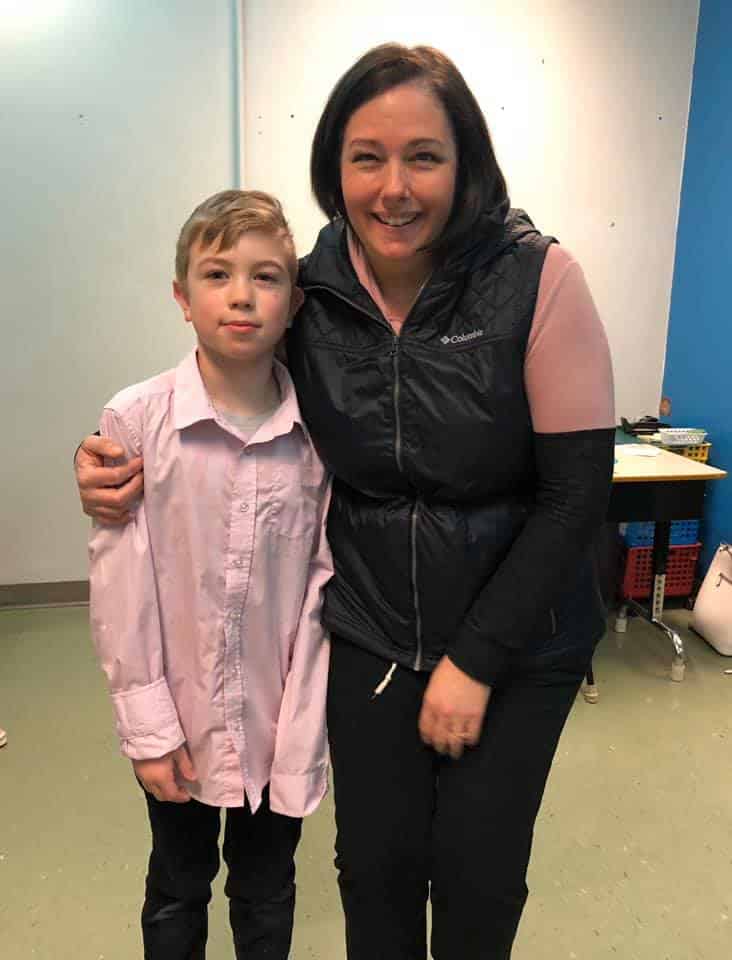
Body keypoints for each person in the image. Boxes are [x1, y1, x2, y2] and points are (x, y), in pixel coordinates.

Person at [76, 44, 615, 960]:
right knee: (374, 872)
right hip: (370, 631)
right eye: (367, 157)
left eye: (424, 157)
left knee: (477, 874)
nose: (393, 187)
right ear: (335, 168)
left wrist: (476, 659)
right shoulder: (309, 292)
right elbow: (223, 396)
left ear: (466, 164)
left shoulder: (538, 279)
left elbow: (577, 496)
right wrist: (100, 459)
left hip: (519, 639)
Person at [87, 189, 332, 960]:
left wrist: (304, 730)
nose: (241, 296)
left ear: (294, 303)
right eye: (217, 274)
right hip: (180, 721)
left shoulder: (321, 434)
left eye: (266, 277)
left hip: (277, 723)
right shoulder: (135, 421)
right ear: (182, 297)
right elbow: (121, 591)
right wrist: (148, 729)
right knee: (177, 882)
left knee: (267, 889)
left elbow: (322, 588)